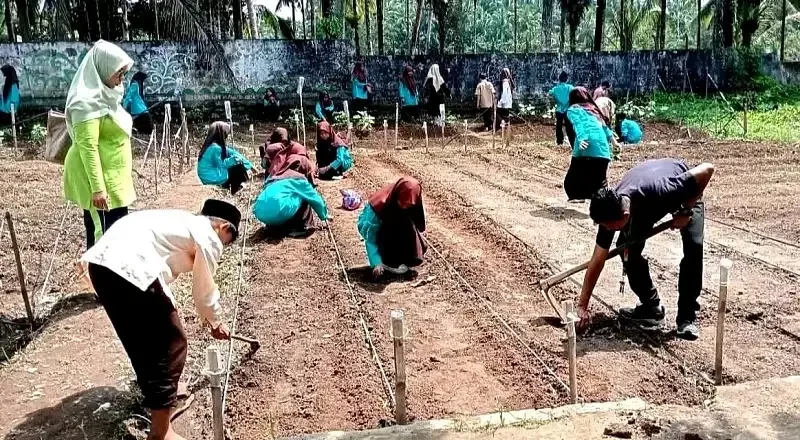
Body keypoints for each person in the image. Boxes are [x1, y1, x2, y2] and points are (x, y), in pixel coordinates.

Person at [81, 199, 240, 440]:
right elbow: (204, 289)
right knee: (173, 344)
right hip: (130, 267)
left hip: (101, 266)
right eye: (227, 242)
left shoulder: (179, 221)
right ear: (224, 227)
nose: (222, 247)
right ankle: (161, 432)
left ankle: (161, 398)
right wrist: (215, 321)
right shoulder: (208, 234)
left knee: (141, 340)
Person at [577, 160, 715, 341]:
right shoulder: (610, 207)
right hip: (647, 203)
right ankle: (651, 307)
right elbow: (598, 258)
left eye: (610, 227)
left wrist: (685, 209)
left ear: (625, 216)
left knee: (694, 248)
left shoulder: (663, 190)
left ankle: (687, 318)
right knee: (627, 249)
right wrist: (582, 305)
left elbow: (707, 169)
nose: (607, 230)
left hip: (686, 194)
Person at [62, 40, 136, 250]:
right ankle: (99, 270)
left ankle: (115, 268)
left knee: (118, 232)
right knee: (103, 237)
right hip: (98, 181)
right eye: (118, 73)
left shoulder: (106, 96)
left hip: (113, 178)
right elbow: (88, 147)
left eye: (123, 73)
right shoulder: (85, 104)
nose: (122, 79)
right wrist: (97, 190)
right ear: (103, 69)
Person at [358, 176, 427, 279]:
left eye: (409, 204)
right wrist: (376, 262)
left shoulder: (411, 202)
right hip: (372, 226)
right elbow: (370, 236)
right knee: (394, 226)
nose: (405, 206)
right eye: (402, 202)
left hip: (393, 223)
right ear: (397, 195)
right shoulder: (379, 207)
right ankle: (387, 262)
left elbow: (418, 223)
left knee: (408, 225)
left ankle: (400, 259)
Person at [562, 87, 620, 202]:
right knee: (600, 180)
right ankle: (603, 202)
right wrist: (615, 142)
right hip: (603, 150)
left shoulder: (573, 109)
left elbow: (578, 124)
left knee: (573, 177)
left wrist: (582, 139)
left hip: (585, 146)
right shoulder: (594, 110)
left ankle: (577, 196)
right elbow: (605, 127)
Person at [253, 154, 330, 238]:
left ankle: (272, 227)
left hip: (259, 212)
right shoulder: (298, 180)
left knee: (282, 199)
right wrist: (324, 215)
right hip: (279, 212)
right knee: (304, 195)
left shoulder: (274, 176)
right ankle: (302, 228)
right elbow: (316, 200)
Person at [196, 122, 253, 195]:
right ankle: (235, 189)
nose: (227, 136)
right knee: (238, 168)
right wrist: (233, 160)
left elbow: (229, 154)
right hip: (212, 178)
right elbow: (222, 165)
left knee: (235, 166)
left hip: (207, 177)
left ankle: (238, 186)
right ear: (221, 134)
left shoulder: (210, 146)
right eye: (226, 134)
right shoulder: (215, 148)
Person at [549, 72, 574, 146]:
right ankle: (572, 141)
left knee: (559, 126)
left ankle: (559, 141)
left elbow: (550, 93)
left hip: (559, 109)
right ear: (567, 79)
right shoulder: (570, 87)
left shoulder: (555, 89)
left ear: (559, 79)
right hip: (568, 110)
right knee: (569, 126)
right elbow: (575, 91)